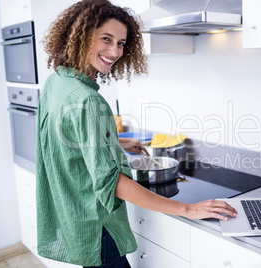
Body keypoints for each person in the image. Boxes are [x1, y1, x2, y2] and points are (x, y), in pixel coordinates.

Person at [36, 0, 237, 267]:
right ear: (81, 35)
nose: (114, 50)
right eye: (106, 39)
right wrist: (188, 209)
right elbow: (112, 182)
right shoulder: (88, 101)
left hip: (74, 215)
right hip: (99, 226)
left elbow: (64, 138)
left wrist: (115, 141)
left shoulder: (58, 81)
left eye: (120, 43)